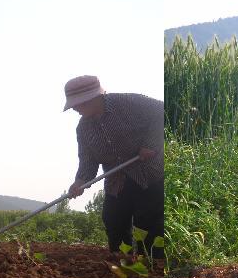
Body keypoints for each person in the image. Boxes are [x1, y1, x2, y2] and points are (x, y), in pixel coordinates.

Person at [63, 75, 165, 257]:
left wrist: (150, 143)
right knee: (113, 219)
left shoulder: (127, 103)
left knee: (148, 221)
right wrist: (80, 182)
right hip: (117, 180)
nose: (75, 109)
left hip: (149, 173)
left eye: (78, 104)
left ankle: (152, 268)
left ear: (93, 98)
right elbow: (87, 160)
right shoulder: (83, 129)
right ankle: (122, 263)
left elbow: (161, 111)